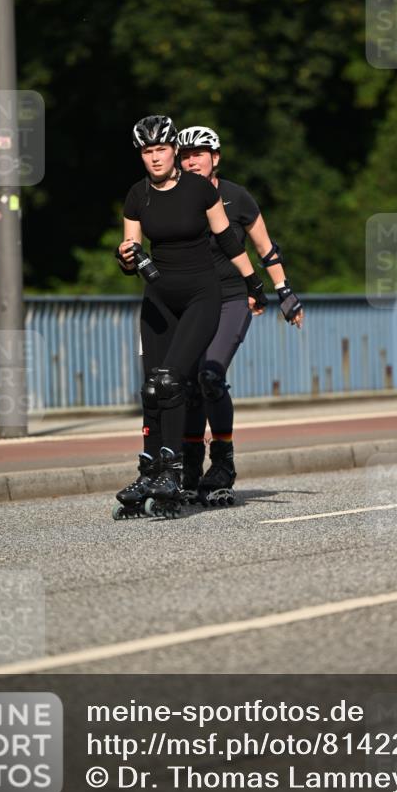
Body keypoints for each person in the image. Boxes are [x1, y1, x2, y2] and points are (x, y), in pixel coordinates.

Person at [113, 115, 268, 519]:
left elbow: (227, 238)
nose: (155, 158)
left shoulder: (199, 189)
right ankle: (151, 470)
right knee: (150, 387)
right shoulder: (137, 196)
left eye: (161, 149)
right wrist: (125, 256)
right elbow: (131, 248)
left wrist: (254, 283)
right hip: (159, 298)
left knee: (172, 381)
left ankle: (176, 471)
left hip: (201, 295)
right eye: (147, 152)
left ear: (173, 151)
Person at [176, 125, 304, 505]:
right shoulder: (175, 197)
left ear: (215, 158)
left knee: (210, 376)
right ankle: (189, 465)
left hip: (233, 298)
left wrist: (284, 292)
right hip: (191, 301)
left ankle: (223, 465)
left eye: (199, 153)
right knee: (186, 384)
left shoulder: (236, 197)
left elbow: (265, 248)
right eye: (185, 155)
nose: (191, 160)